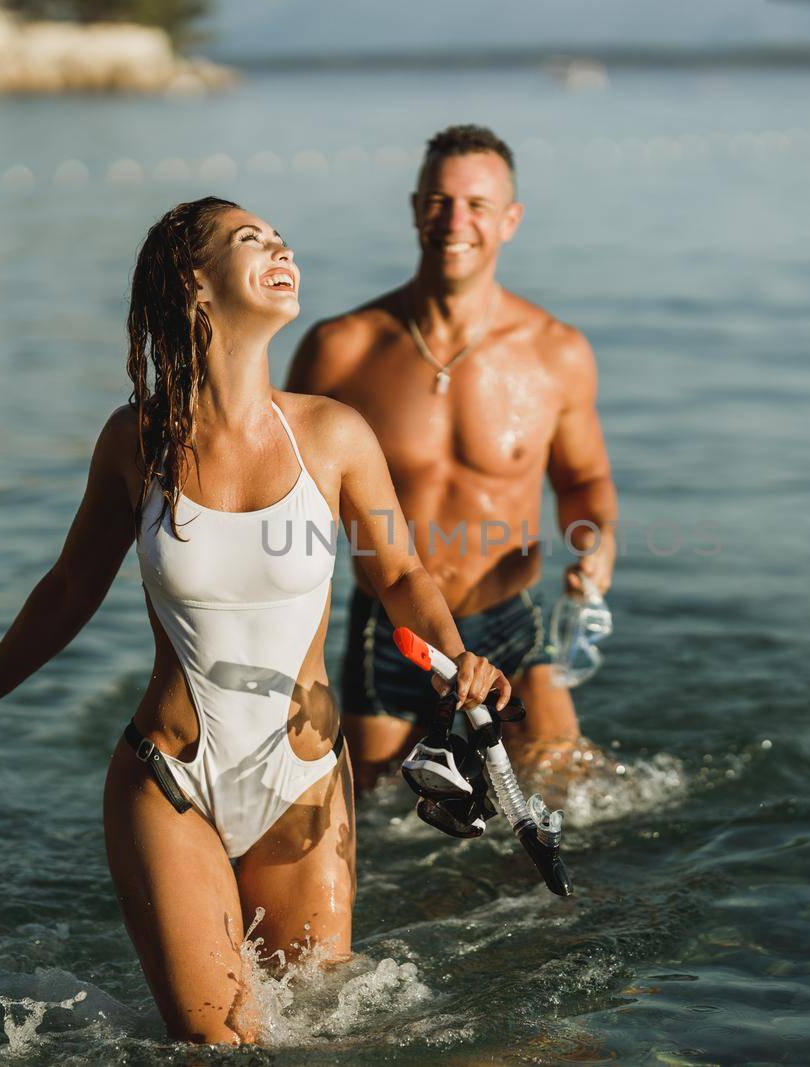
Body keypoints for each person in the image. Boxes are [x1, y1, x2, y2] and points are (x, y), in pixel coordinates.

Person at [0, 197, 512, 1046]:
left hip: (301, 781)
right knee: (220, 1045)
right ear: (196, 285)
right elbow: (71, 587)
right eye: (249, 240)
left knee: (324, 1031)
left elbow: (402, 572)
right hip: (168, 780)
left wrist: (460, 659)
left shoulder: (333, 433)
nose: (281, 247)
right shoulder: (136, 440)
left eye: (280, 237)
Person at [287, 125, 617, 792]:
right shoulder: (341, 349)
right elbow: (281, 496)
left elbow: (583, 479)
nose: (455, 221)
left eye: (477, 205)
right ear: (415, 208)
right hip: (394, 630)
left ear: (511, 220)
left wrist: (596, 543)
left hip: (511, 621)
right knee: (370, 826)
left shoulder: (556, 353)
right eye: (439, 201)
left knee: (566, 802)